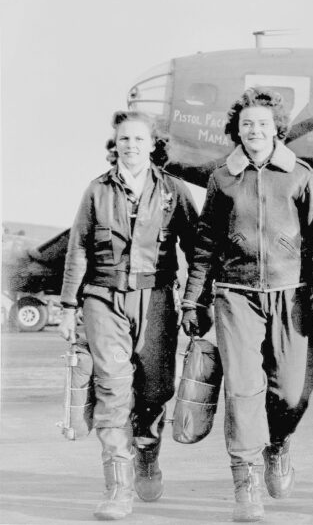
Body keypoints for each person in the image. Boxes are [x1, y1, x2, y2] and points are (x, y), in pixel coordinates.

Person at [180, 87, 313, 523]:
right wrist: (194, 298)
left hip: (293, 294)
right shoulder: (221, 179)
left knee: (290, 391)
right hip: (236, 295)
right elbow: (205, 245)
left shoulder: (301, 176)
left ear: (276, 129)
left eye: (263, 123)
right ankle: (245, 484)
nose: (255, 130)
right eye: (247, 124)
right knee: (244, 389)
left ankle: (279, 443)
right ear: (237, 130)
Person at [59, 110, 198, 520]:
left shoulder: (173, 191)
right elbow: (78, 249)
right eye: (124, 140)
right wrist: (68, 306)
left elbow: (196, 250)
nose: (131, 146)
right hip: (103, 299)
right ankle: (118, 489)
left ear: (153, 144)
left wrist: (194, 301)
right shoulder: (96, 190)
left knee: (155, 391)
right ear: (114, 145)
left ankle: (148, 451)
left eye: (139, 139)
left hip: (156, 299)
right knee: (113, 390)